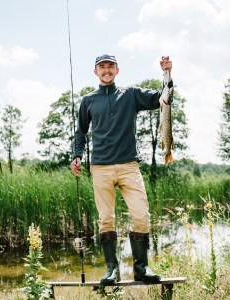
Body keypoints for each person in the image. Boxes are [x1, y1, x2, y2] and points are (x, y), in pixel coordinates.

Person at [71, 54, 173, 285]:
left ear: (117, 70)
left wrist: (167, 73)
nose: (106, 70)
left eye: (110, 67)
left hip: (129, 165)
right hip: (100, 167)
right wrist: (77, 155)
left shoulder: (130, 94)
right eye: (102, 67)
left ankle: (141, 268)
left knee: (141, 215)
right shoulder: (88, 100)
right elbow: (81, 132)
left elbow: (164, 98)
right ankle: (111, 270)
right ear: (95, 72)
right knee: (106, 219)